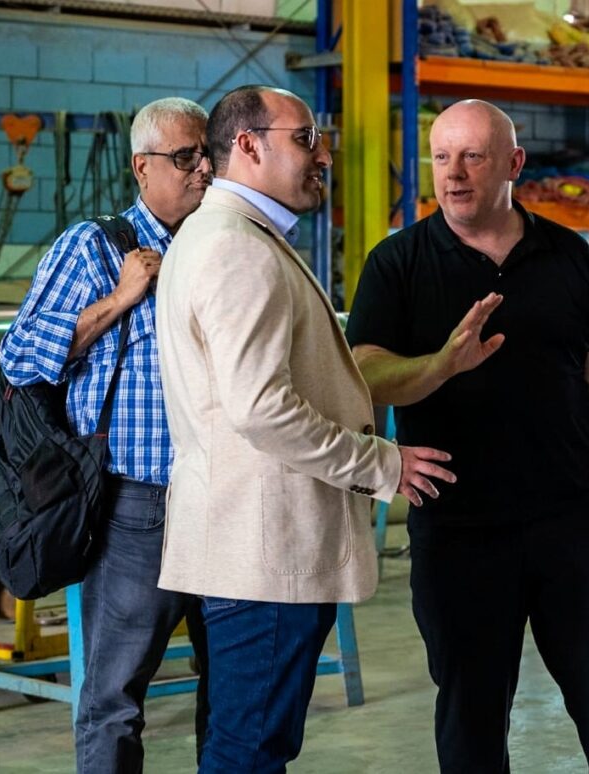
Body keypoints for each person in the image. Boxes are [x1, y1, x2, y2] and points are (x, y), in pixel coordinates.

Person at [346, 99, 589, 774]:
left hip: (570, 520)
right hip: (458, 527)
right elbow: (366, 373)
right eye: (441, 158)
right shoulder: (397, 262)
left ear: (513, 163)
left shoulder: (568, 255)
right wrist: (441, 364)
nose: (453, 174)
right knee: (472, 716)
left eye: (472, 157)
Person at [154, 85, 454, 772]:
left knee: (244, 743)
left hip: (247, 546)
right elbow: (261, 408)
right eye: (304, 139)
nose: (323, 156)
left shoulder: (227, 235)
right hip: (265, 557)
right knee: (250, 751)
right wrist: (383, 463)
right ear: (248, 146)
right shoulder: (236, 249)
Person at [0, 96, 212, 773]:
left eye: (207, 154)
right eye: (185, 157)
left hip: (223, 499)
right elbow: (20, 355)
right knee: (115, 699)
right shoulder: (93, 248)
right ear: (142, 167)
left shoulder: (221, 246)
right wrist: (121, 298)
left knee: (233, 689)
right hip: (138, 505)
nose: (203, 169)